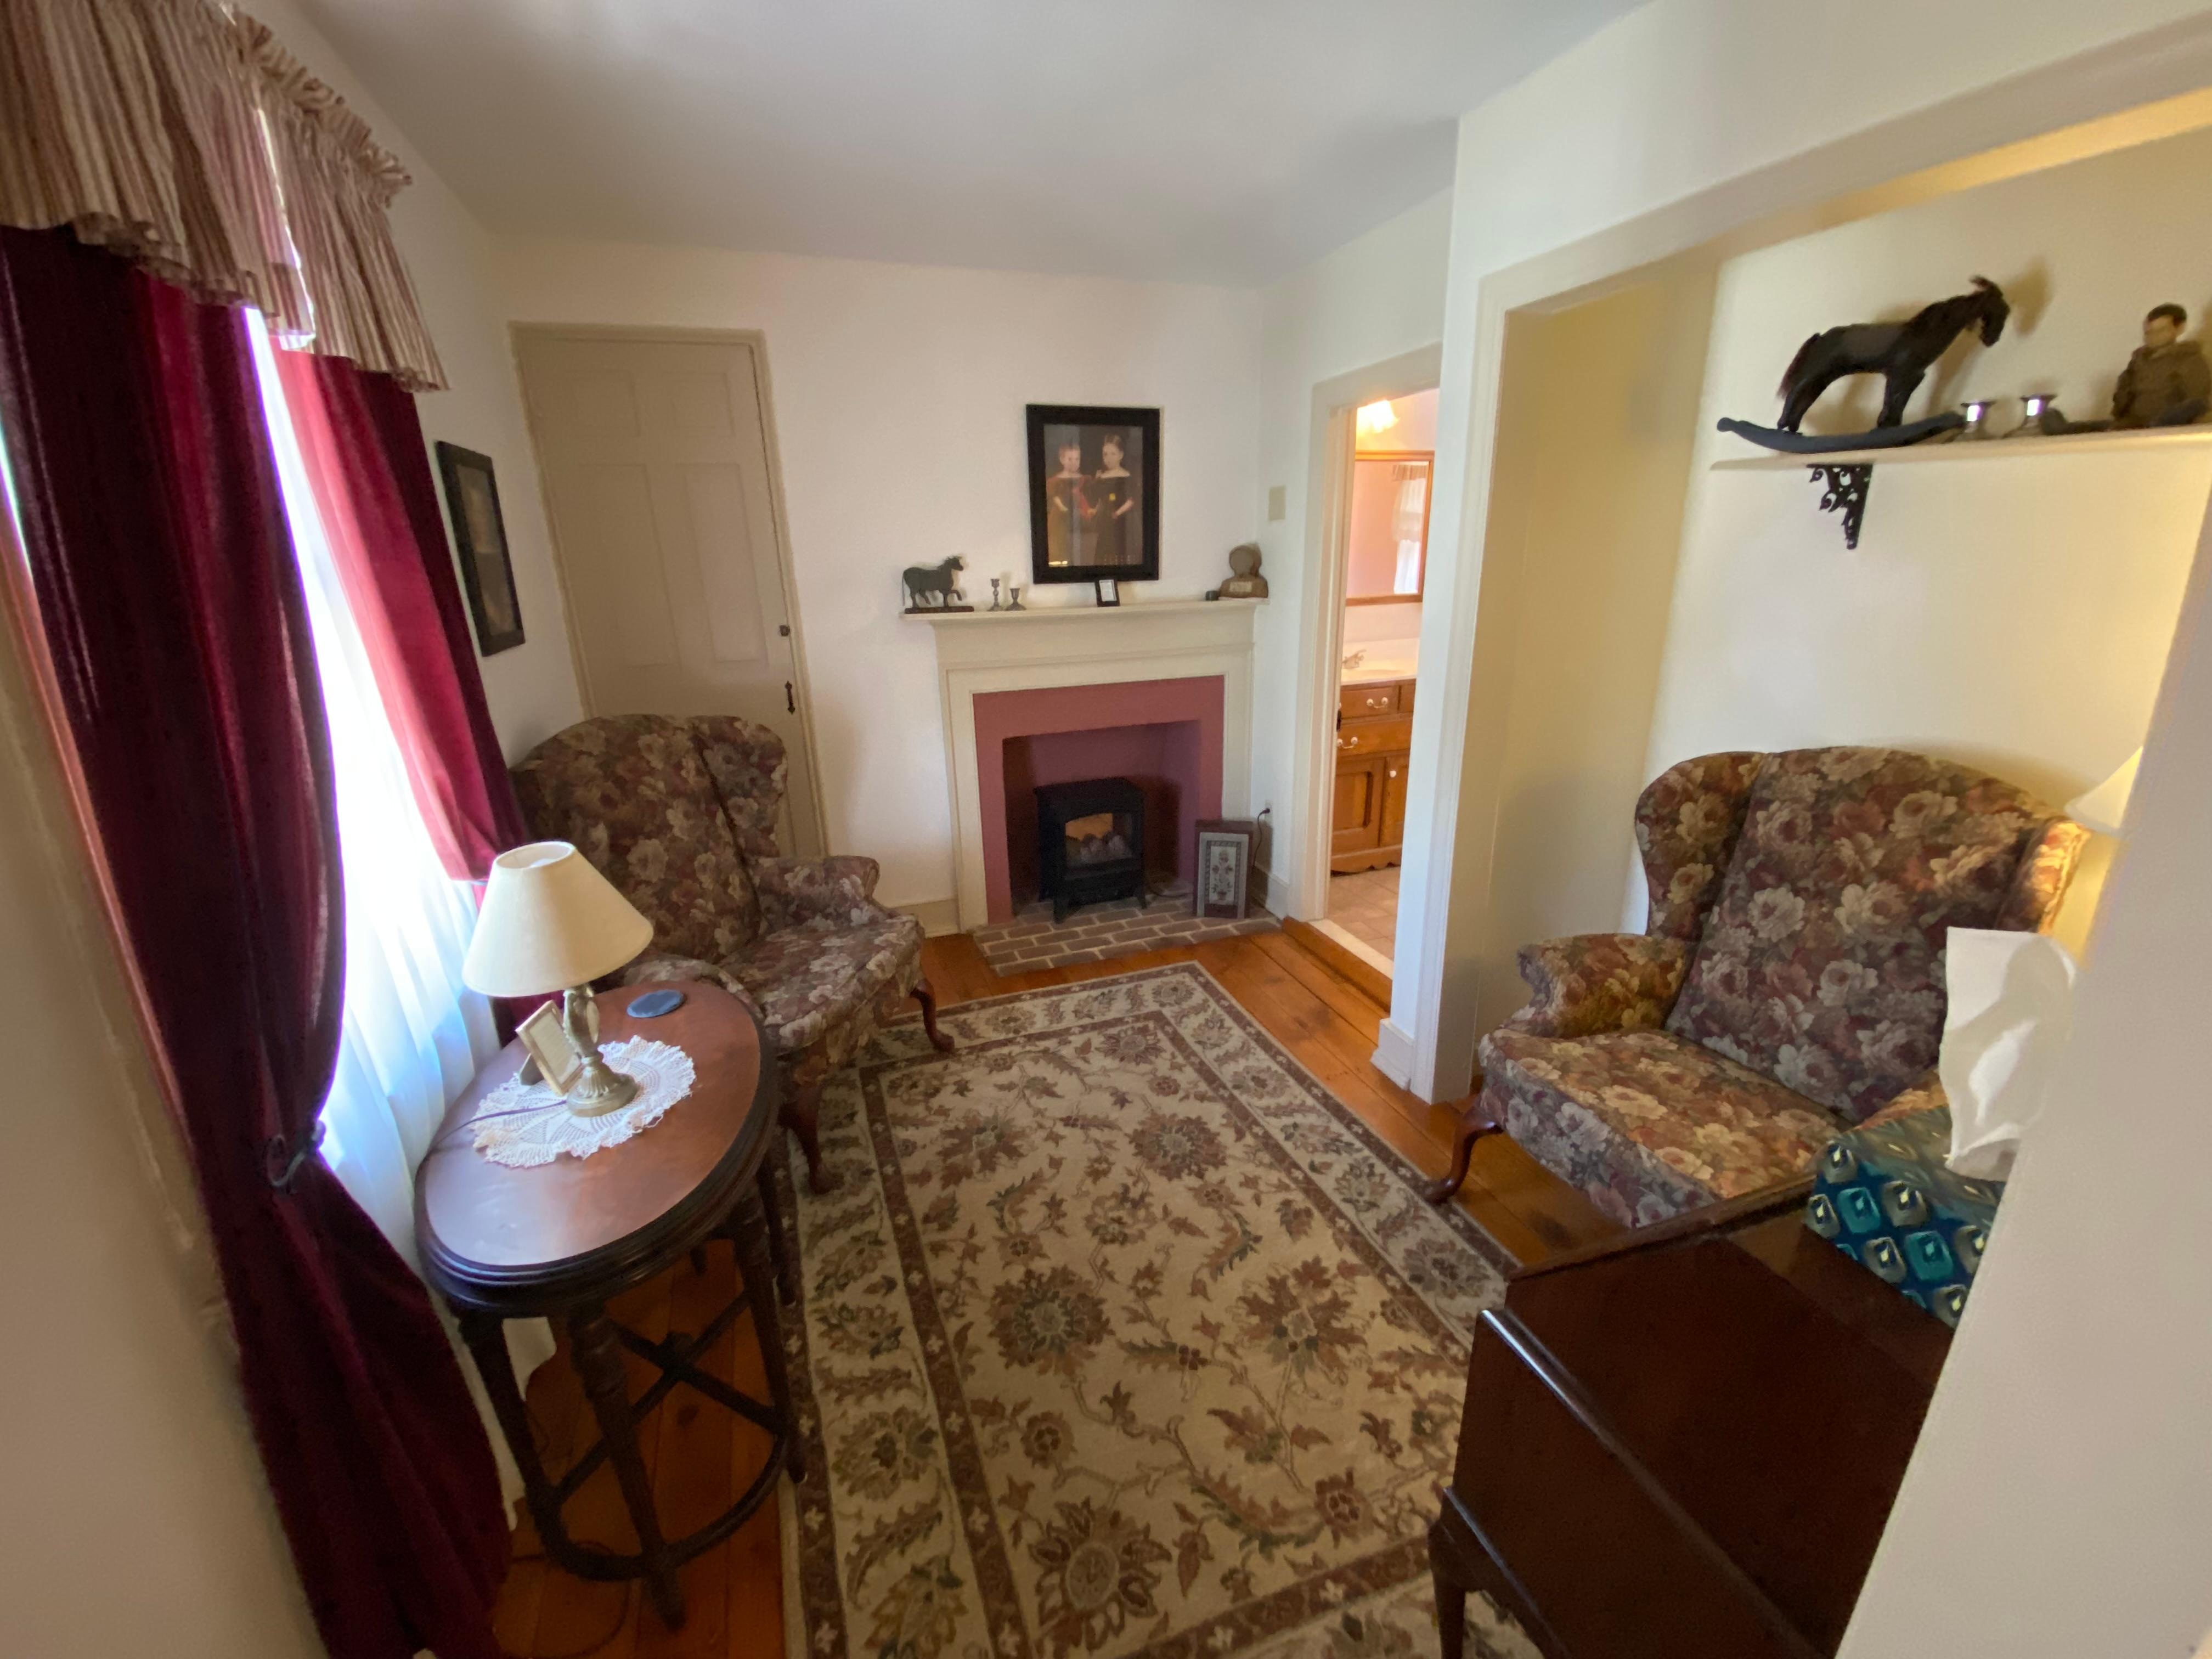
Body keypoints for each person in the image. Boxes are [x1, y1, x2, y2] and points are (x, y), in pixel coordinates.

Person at [2112, 303, 2210, 428]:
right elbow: (2122, 400)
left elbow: (2196, 403)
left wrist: (2164, 422)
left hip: (2165, 427)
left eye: (2161, 331)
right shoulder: (2138, 361)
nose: (2153, 337)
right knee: (2088, 428)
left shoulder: (2189, 360)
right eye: (2149, 332)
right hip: (2132, 425)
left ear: (2179, 329)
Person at [1084, 431, 1141, 566]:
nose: (1109, 458)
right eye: (1105, 454)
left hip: (1124, 521)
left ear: (1121, 455)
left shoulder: (1128, 477)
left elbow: (1132, 499)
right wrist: (1096, 481)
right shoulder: (1101, 477)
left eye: (1113, 454)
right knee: (1105, 549)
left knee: (1122, 549)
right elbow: (1097, 499)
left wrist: (1118, 513)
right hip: (1105, 521)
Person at [1043, 436, 1088, 566]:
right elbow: (1055, 498)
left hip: (1080, 519)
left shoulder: (1084, 479)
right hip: (1061, 520)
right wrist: (1064, 509)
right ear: (1062, 459)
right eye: (1070, 459)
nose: (1074, 462)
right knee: (1061, 546)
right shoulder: (1055, 481)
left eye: (1077, 459)